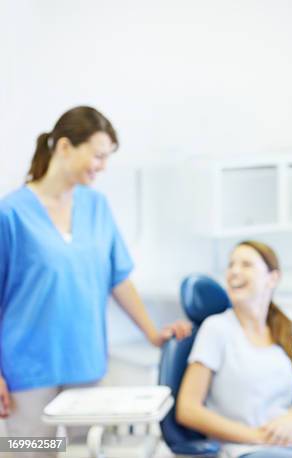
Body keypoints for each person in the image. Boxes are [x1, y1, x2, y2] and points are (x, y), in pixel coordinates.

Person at [0, 106, 192, 452]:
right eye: (98, 155)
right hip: (25, 368)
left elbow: (118, 278)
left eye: (107, 157)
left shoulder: (96, 206)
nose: (102, 166)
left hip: (84, 361)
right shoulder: (10, 213)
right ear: (64, 147)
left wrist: (152, 333)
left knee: (86, 450)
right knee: (25, 449)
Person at [176, 240, 292, 458]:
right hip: (247, 447)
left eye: (246, 265)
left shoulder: (287, 328)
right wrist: (256, 435)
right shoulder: (216, 329)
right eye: (231, 265)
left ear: (273, 278)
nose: (234, 271)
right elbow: (187, 409)